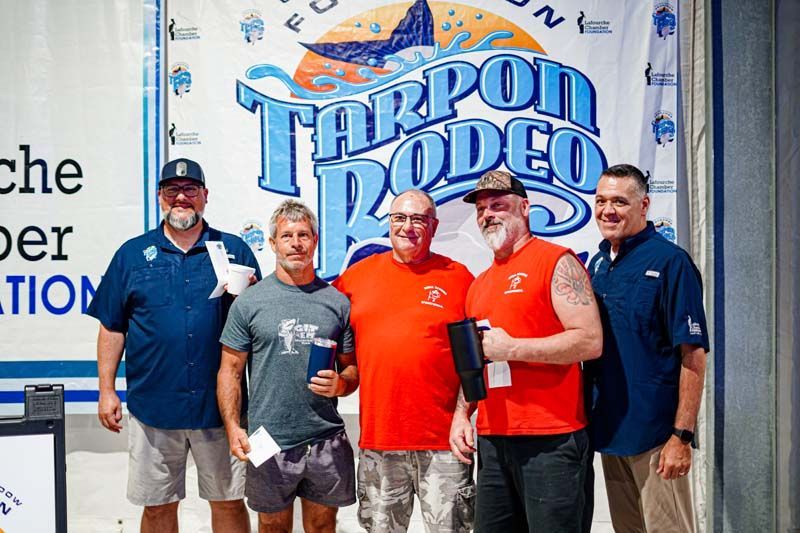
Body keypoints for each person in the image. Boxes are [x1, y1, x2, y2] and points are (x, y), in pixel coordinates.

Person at [87, 157, 259, 533]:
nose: (182, 198)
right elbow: (112, 327)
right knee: (157, 507)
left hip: (221, 410)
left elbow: (257, 331)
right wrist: (106, 390)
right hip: (154, 409)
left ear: (205, 196)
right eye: (172, 190)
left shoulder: (235, 252)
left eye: (190, 190)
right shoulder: (131, 255)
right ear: (160, 197)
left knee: (229, 504)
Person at [449, 169, 603, 532]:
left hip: (550, 439)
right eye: (482, 209)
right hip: (493, 438)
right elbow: (476, 363)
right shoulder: (480, 283)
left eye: (498, 205)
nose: (488, 214)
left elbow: (589, 340)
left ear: (525, 208)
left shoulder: (556, 261)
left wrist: (514, 348)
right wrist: (461, 414)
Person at [333, 189, 476, 532]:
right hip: (379, 440)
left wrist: (465, 414)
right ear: (389, 223)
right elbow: (315, 313)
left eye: (418, 219)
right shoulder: (355, 278)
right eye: (399, 218)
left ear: (434, 226)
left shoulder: (458, 278)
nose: (407, 227)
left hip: (444, 443)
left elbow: (476, 360)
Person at [217, 199, 358, 533]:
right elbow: (230, 371)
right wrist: (233, 427)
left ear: (315, 241)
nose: (296, 243)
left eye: (304, 235)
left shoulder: (337, 302)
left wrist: (341, 385)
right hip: (267, 439)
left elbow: (352, 370)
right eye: (287, 236)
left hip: (325, 438)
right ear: (272, 244)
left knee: (323, 525)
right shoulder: (249, 302)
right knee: (272, 526)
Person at [586, 164, 708, 532]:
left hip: (657, 439)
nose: (608, 210)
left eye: (620, 201)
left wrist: (681, 437)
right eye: (601, 200)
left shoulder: (671, 262)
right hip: (612, 435)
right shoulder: (598, 263)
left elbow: (693, 356)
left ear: (644, 205)